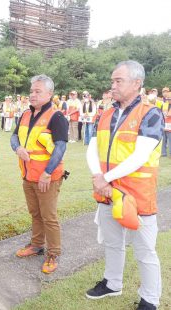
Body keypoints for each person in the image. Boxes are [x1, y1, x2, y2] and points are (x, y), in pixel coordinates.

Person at [86, 60, 164, 309]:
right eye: (112, 81)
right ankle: (112, 283)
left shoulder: (150, 113)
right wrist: (100, 178)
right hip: (107, 193)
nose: (113, 85)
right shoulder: (106, 113)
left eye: (118, 80)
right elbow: (92, 147)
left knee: (145, 250)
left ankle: (150, 299)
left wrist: (104, 179)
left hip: (137, 197)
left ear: (137, 83)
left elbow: (140, 155)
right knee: (112, 243)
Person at [10, 74, 68, 274]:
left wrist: (47, 173)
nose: (32, 95)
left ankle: (53, 253)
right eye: (31, 91)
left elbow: (60, 148)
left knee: (49, 216)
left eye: (37, 91)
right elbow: (14, 137)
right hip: (28, 176)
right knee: (35, 214)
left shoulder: (56, 117)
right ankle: (36, 245)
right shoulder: (26, 115)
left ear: (49, 94)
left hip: (47, 178)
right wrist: (17, 149)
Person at [161, 91, 171, 157]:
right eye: (168, 99)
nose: (169, 100)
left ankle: (170, 153)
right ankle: (163, 153)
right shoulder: (164, 104)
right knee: (163, 139)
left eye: (170, 99)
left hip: (170, 124)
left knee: (170, 139)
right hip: (164, 123)